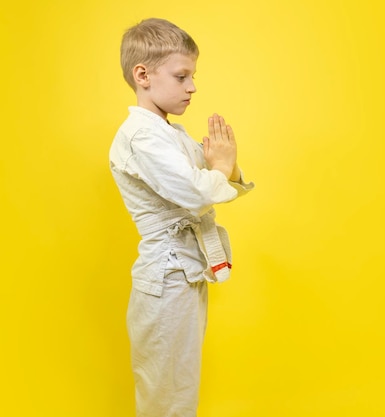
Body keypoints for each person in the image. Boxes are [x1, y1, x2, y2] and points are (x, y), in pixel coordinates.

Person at [109, 17, 254, 417]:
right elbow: (197, 192)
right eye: (181, 75)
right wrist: (219, 169)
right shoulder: (142, 136)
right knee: (166, 396)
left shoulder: (169, 133)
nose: (192, 86)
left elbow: (211, 185)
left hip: (184, 274)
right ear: (143, 75)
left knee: (178, 387)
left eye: (192, 75)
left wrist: (226, 167)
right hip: (168, 277)